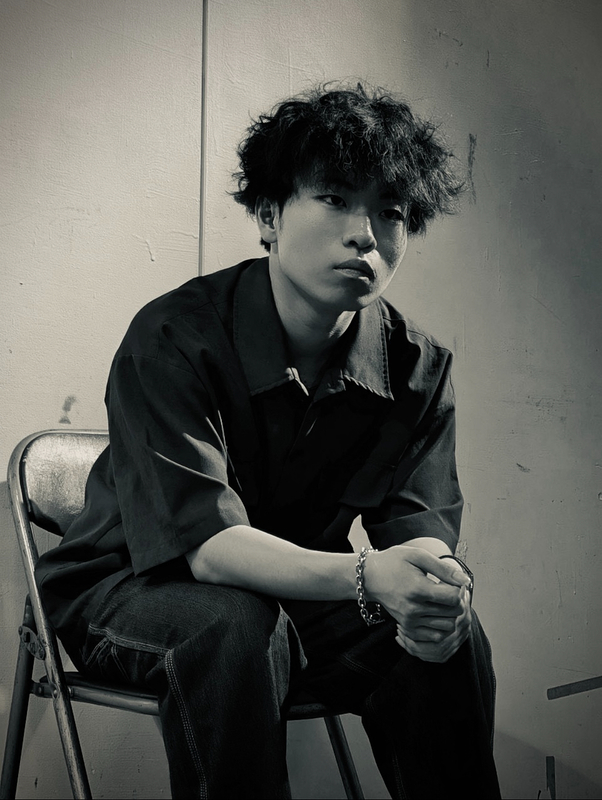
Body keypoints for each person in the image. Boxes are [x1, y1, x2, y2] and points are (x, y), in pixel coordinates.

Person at [36, 82, 501, 799]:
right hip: (126, 590)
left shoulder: (417, 368)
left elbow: (420, 533)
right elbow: (209, 549)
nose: (365, 234)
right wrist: (368, 575)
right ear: (267, 214)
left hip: (290, 605)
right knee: (232, 625)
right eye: (335, 198)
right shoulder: (173, 338)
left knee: (450, 643)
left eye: (390, 211)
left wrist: (436, 597)